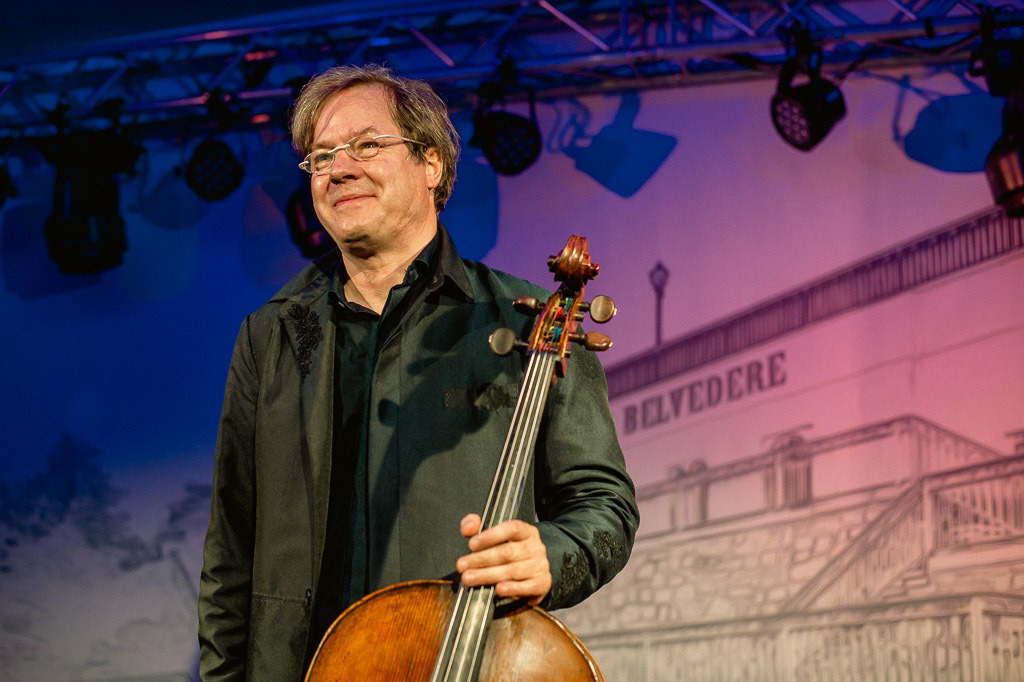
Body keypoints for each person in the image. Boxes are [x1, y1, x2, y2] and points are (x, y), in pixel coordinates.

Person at [197, 64, 638, 681]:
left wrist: (552, 555)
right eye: (321, 157)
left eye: (366, 145)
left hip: (461, 661)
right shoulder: (269, 334)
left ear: (431, 162)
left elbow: (604, 505)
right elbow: (230, 553)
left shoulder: (533, 324)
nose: (339, 169)